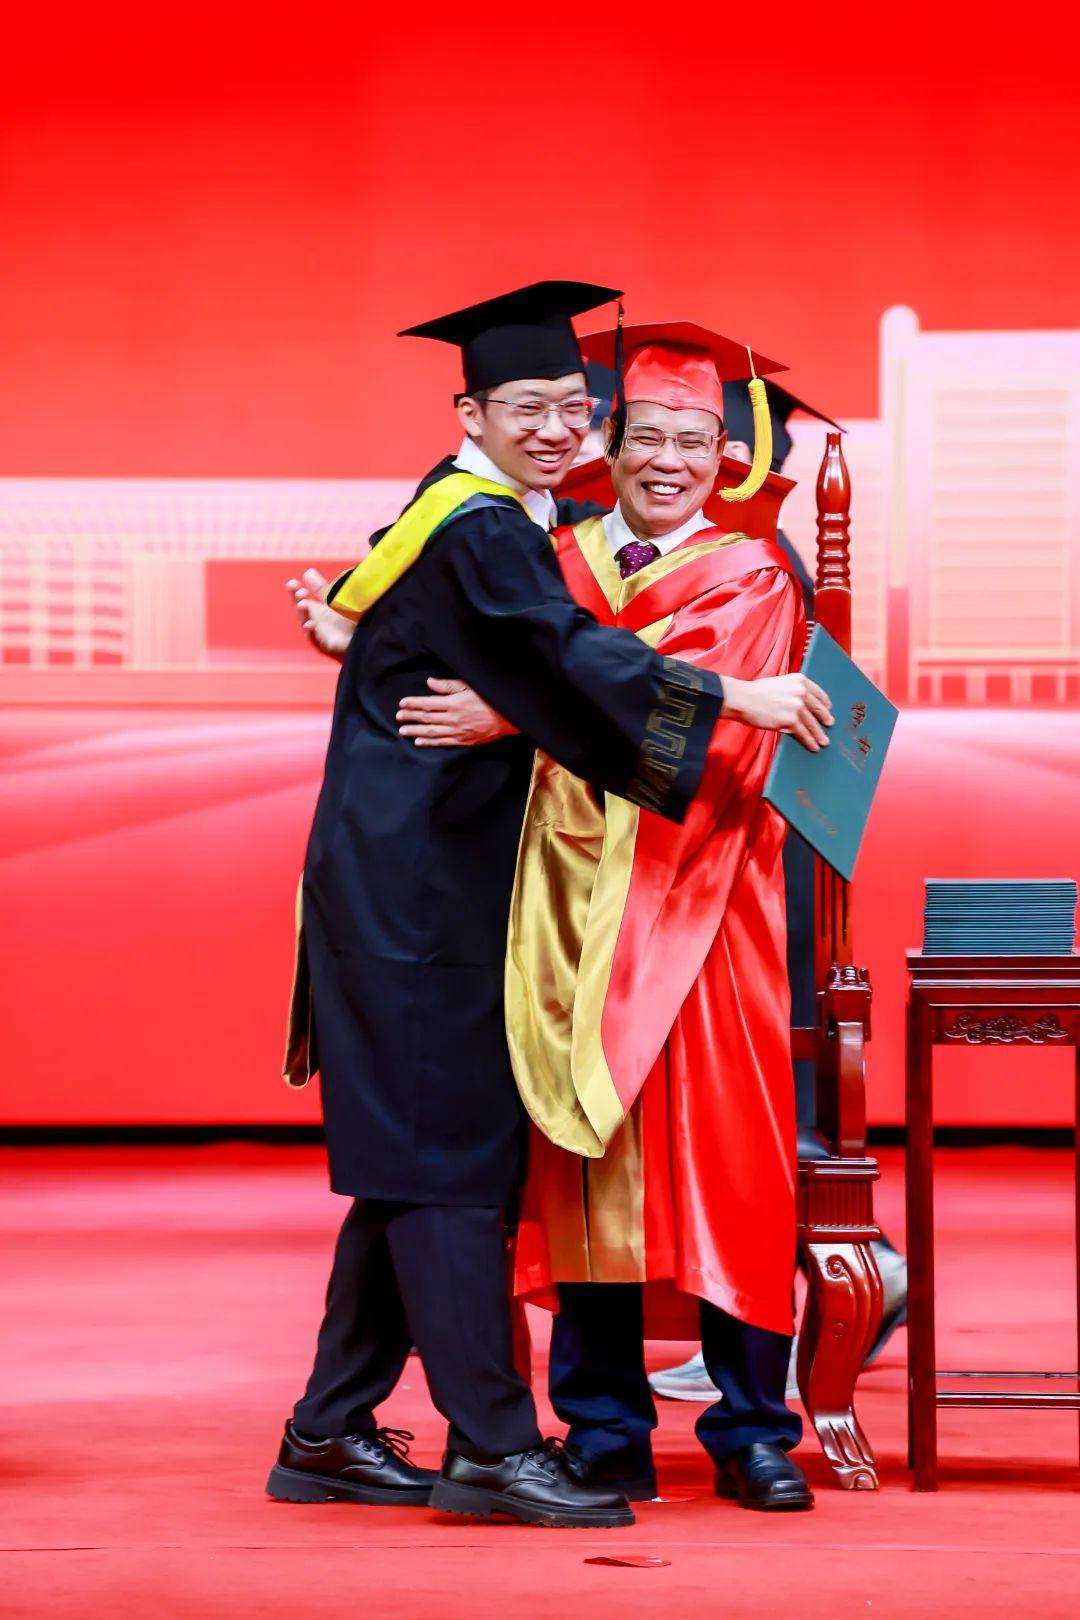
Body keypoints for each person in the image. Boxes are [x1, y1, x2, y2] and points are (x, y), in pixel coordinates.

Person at [269, 283, 831, 1530]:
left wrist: (401, 659)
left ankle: (330, 1426)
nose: (559, 430)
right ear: (472, 410)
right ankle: (498, 1445)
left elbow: (479, 647)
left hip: (649, 904)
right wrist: (731, 697)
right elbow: (565, 657)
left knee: (421, 1168)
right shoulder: (501, 533)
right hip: (444, 899)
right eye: (534, 409)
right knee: (454, 1169)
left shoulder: (491, 518)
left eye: (571, 408)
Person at [648, 382, 908, 1406]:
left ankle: (842, 1276)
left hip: (742, 851)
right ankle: (757, 1305)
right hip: (746, 840)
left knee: (754, 1091)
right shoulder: (748, 553)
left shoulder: (750, 566)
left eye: (699, 444)